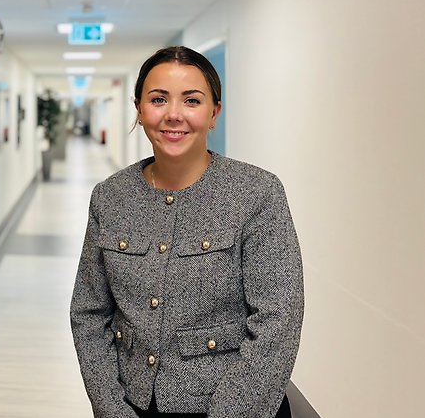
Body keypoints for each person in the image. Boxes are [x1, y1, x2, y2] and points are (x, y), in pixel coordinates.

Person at [70, 46, 303, 418]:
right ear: (139, 109)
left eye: (192, 100)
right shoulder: (110, 197)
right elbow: (88, 312)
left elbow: (279, 320)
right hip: (133, 404)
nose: (173, 114)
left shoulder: (256, 193)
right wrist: (111, 408)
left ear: (214, 113)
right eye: (158, 99)